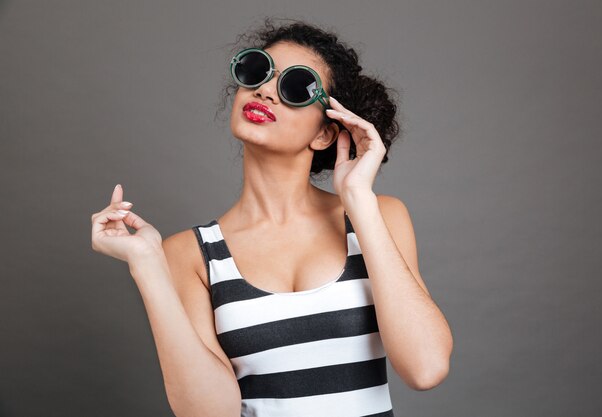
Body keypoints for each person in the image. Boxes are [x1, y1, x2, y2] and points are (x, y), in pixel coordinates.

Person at [91, 18, 453, 417]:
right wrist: (147, 265)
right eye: (257, 72)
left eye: (296, 87)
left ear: (324, 134)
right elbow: (211, 413)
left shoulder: (379, 216)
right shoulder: (190, 254)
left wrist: (358, 200)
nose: (264, 90)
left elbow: (426, 368)